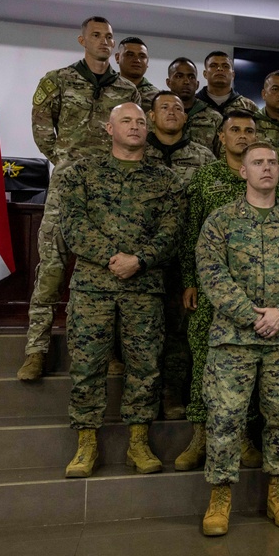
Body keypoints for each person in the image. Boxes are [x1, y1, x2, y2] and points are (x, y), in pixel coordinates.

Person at [197, 142, 279, 537]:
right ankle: (220, 497)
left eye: (273, 163)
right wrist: (252, 315)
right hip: (233, 340)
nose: (267, 168)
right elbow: (211, 275)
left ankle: (278, 493)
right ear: (242, 172)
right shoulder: (220, 221)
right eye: (258, 163)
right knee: (225, 418)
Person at [18, 16, 141, 382]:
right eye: (97, 36)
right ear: (82, 40)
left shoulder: (127, 90)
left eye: (110, 37)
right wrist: (62, 157)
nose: (105, 42)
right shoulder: (57, 80)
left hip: (110, 190)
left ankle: (111, 353)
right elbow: (41, 124)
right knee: (52, 267)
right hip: (67, 186)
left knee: (110, 268)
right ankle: (36, 350)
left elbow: (132, 135)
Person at [61, 103, 181, 478]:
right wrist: (114, 257)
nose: (134, 127)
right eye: (126, 121)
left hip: (144, 288)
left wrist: (140, 260)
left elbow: (172, 231)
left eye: (141, 122)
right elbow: (73, 225)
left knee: (145, 367)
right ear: (109, 128)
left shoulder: (165, 180)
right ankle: (86, 444)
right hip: (92, 288)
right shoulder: (82, 172)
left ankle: (138, 442)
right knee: (86, 365)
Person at [175, 111, 266, 472]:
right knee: (204, 362)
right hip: (213, 293)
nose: (243, 136)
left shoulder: (267, 176)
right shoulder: (207, 178)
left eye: (250, 131)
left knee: (248, 370)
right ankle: (200, 436)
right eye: (235, 130)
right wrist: (189, 280)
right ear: (221, 136)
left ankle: (242, 436)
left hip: (256, 293)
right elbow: (190, 231)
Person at [144, 91, 216, 419]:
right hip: (142, 258)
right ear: (151, 116)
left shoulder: (203, 159)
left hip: (185, 258)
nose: (172, 112)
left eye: (177, 108)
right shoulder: (137, 152)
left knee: (178, 329)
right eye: (164, 108)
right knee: (143, 329)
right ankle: (144, 399)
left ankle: (173, 392)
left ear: (186, 117)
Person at [195, 51, 258, 155]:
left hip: (238, 168)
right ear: (205, 74)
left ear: (233, 74)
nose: (220, 69)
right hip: (198, 167)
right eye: (213, 65)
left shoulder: (249, 107)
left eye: (225, 66)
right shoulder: (193, 105)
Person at [166, 57, 223, 152]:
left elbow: (221, 155)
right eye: (179, 76)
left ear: (197, 84)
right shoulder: (158, 115)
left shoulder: (214, 118)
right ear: (168, 82)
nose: (186, 81)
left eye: (191, 77)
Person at [115, 37, 158, 111]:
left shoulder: (156, 97)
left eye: (142, 56)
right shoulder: (104, 88)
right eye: (130, 55)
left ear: (147, 62)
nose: (137, 60)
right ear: (117, 57)